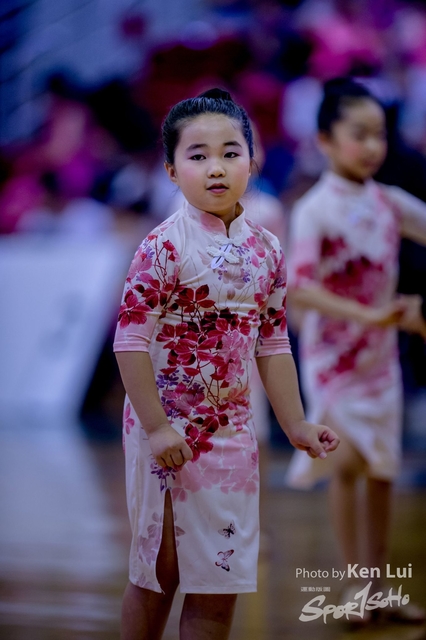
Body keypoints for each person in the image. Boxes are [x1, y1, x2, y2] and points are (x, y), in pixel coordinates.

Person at [113, 88, 340, 640]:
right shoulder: (162, 247)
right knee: (160, 573)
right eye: (198, 156)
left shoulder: (268, 249)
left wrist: (296, 424)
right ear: (172, 171)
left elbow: (273, 344)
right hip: (165, 433)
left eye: (231, 152)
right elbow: (129, 342)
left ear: (252, 161)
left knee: (222, 577)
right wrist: (157, 428)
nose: (216, 167)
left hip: (233, 436)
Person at [285, 77, 426, 622]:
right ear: (324, 140)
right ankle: (353, 587)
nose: (371, 146)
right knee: (345, 463)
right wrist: (368, 314)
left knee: (383, 468)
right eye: (359, 134)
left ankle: (378, 589)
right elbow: (300, 287)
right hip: (333, 360)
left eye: (379, 135)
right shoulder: (315, 209)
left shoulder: (389, 203)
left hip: (379, 359)